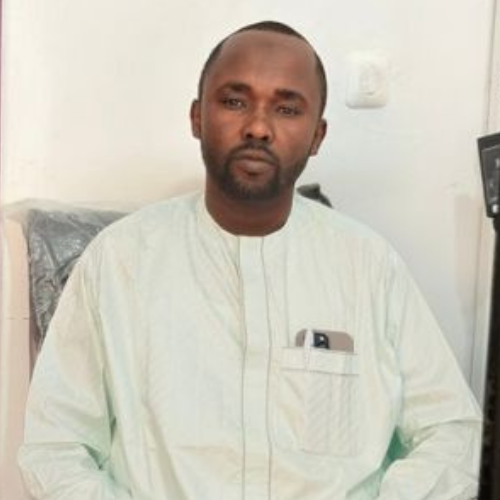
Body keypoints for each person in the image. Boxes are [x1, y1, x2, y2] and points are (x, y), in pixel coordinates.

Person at [19, 21, 481, 500]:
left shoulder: (367, 266)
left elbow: (453, 434)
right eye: (235, 101)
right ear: (197, 117)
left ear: (317, 135)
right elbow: (56, 447)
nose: (258, 127)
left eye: (287, 108)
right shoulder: (119, 261)